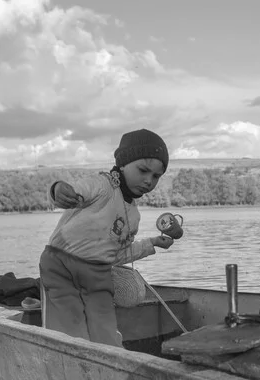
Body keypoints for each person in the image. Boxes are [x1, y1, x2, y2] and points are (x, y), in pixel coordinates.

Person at [39, 128, 174, 347]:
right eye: (143, 170)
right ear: (122, 164)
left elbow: (118, 255)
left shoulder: (133, 216)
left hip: (98, 274)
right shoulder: (102, 185)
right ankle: (69, 359)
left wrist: (153, 244)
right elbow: (76, 190)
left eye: (156, 176)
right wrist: (58, 189)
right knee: (69, 327)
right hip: (60, 266)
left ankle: (110, 363)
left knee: (105, 330)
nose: (148, 181)